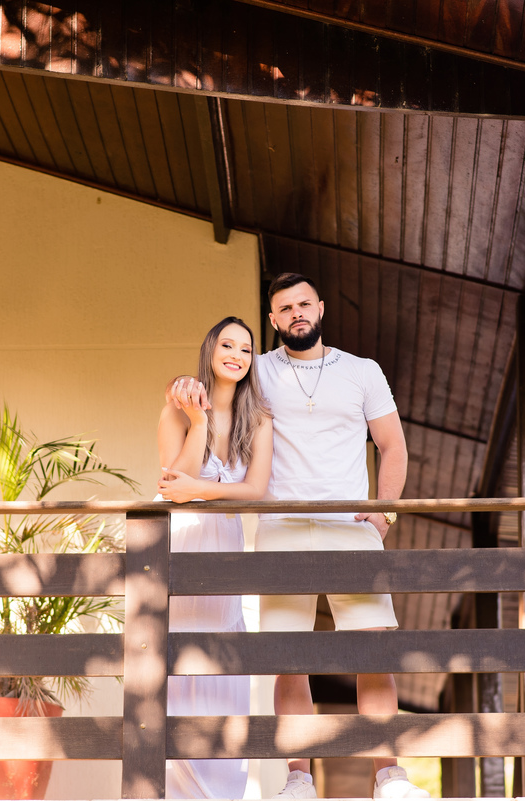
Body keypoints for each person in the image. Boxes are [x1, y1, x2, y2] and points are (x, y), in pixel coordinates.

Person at [169, 274, 428, 799]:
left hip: (351, 526)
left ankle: (389, 777)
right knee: (288, 658)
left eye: (304, 304)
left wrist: (383, 516)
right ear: (273, 320)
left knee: (373, 648)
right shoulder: (259, 369)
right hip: (281, 528)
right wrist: (183, 385)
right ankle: (298, 780)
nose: (296, 313)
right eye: (285, 308)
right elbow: (217, 378)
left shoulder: (362, 371)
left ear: (321, 307)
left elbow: (393, 447)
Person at [157, 316, 273, 799]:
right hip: (184, 541)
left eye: (246, 349)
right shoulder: (176, 410)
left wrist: (202, 490)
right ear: (210, 350)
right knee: (180, 660)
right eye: (228, 345)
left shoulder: (259, 419)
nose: (236, 355)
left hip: (226, 546)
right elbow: (172, 486)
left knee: (225, 663)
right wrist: (200, 422)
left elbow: (256, 491)